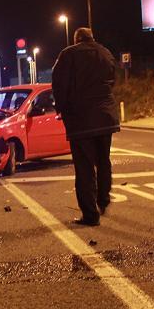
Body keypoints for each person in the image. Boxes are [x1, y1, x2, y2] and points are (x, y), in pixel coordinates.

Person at [51, 27, 119, 227]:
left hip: (81, 120)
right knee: (103, 161)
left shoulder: (68, 54)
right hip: (106, 117)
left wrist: (61, 109)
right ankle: (104, 199)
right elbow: (112, 81)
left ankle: (90, 215)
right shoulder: (105, 53)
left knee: (84, 168)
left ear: (76, 39)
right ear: (91, 38)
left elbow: (58, 83)